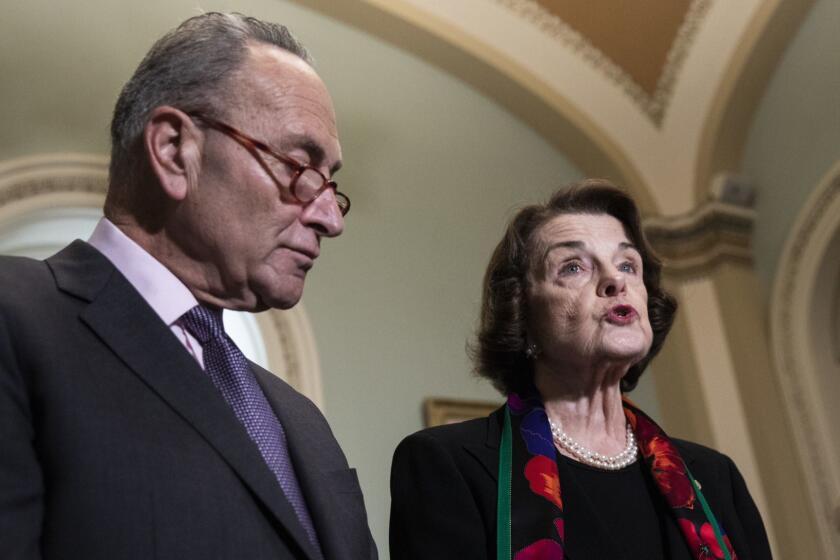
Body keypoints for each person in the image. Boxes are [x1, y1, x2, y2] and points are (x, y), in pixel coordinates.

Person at [0, 13, 376, 560]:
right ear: (176, 151)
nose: (330, 218)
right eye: (299, 167)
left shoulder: (300, 420)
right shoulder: (16, 318)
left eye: (330, 185)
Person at [390, 179, 772, 559]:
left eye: (627, 264)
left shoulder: (715, 478)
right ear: (523, 316)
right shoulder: (448, 466)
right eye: (573, 267)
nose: (615, 280)